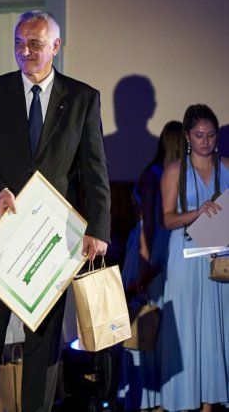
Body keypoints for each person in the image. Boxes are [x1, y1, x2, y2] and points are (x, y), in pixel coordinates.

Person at [0, 10, 111, 412]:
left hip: (53, 238)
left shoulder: (82, 98)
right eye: (19, 43)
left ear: (56, 46)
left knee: (42, 345)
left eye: (35, 44)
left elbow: (95, 173)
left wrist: (99, 229)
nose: (25, 51)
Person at [159, 104, 229, 412]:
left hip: (220, 258)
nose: (205, 141)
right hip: (186, 257)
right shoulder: (176, 169)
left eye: (211, 135)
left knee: (217, 330)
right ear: (188, 136)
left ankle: (210, 404)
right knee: (187, 330)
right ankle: (183, 401)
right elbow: (167, 219)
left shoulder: (227, 165)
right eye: (199, 135)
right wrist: (196, 213)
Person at [118, 120, 182, 411]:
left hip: (159, 248)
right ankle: (145, 397)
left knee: (158, 323)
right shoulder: (154, 174)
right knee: (143, 319)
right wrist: (145, 269)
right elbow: (149, 224)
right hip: (149, 248)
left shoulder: (169, 175)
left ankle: (154, 397)